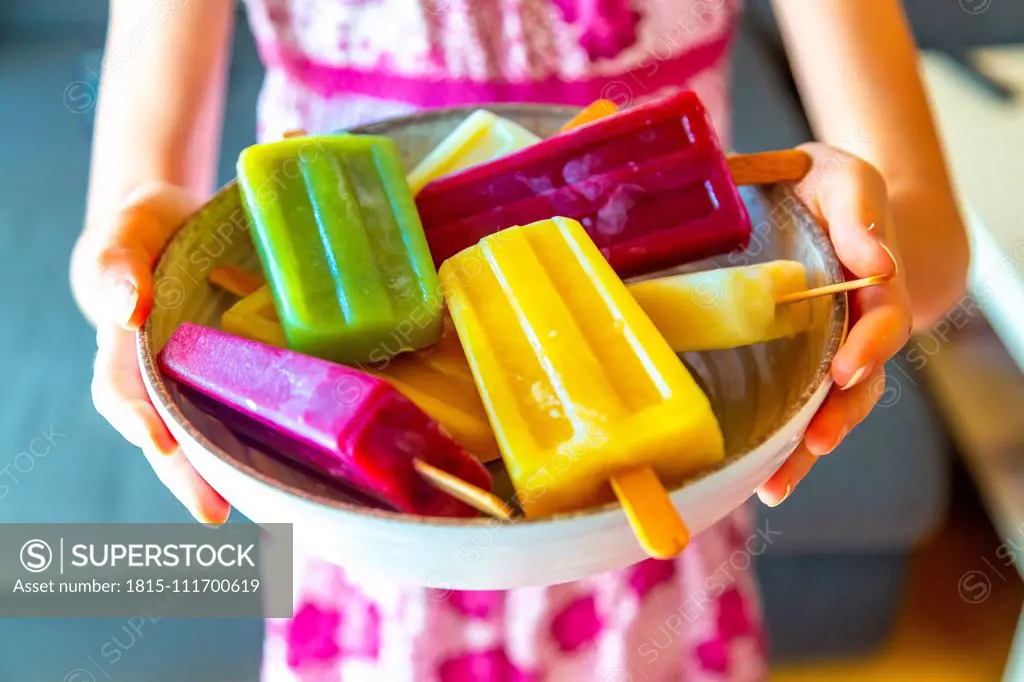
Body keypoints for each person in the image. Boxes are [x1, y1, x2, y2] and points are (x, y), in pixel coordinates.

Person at [70, 0, 968, 679]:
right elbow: (121, 225)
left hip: (659, 519)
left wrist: (855, 243)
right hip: (359, 527)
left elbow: (933, 242)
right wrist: (134, 286)